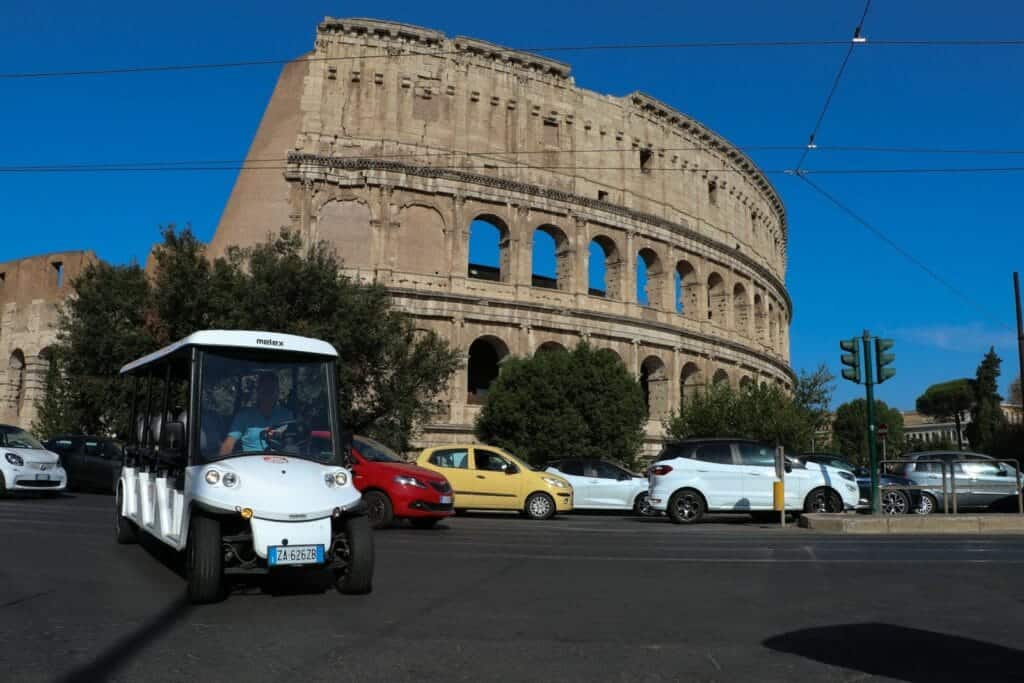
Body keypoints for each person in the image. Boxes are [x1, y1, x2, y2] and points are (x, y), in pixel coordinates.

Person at [219, 372, 294, 455]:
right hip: (251, 464)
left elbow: (293, 443)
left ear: (278, 392)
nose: (268, 394)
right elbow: (228, 444)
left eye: (272, 390)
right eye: (264, 390)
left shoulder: (287, 415)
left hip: (282, 462)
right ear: (258, 391)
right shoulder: (244, 416)